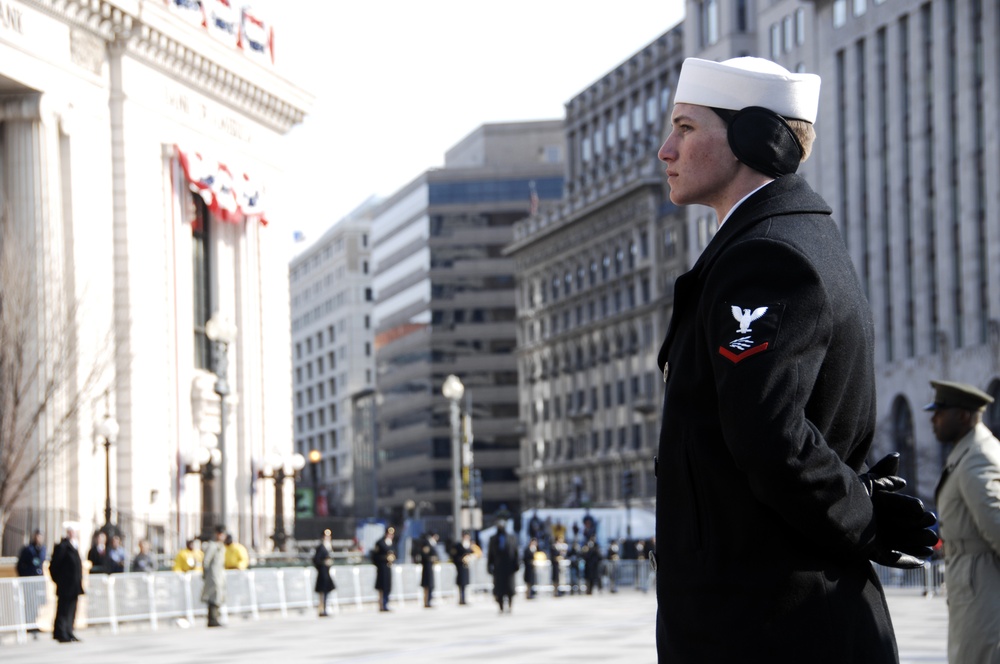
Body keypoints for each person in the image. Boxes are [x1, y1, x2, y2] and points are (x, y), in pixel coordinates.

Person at [654, 56, 936, 662]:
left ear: (754, 138)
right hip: (778, 619)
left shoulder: (767, 256)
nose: (664, 150)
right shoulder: (783, 240)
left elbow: (769, 434)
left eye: (685, 127)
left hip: (770, 626)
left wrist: (864, 519)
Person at [926, 380, 1000, 663]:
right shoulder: (968, 452)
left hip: (983, 586)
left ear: (964, 416)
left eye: (940, 411)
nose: (934, 419)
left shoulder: (977, 458)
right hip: (973, 582)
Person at [48, 522, 84, 643]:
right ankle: (61, 632)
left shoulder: (74, 546)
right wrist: (59, 580)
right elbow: (54, 566)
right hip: (65, 585)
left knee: (72, 609)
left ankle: (69, 631)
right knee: (63, 609)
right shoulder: (62, 547)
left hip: (74, 585)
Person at [486, 516, 519, 614]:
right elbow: (490, 554)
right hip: (498, 567)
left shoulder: (511, 538)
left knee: (509, 588)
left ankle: (509, 605)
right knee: (499, 589)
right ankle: (500, 606)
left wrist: (516, 564)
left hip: (509, 567)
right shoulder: (493, 539)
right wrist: (489, 566)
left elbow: (515, 552)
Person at [201, 525, 227, 627]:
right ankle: (212, 619)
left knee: (218, 595)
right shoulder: (212, 546)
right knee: (213, 596)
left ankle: (216, 618)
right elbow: (206, 561)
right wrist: (205, 575)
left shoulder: (220, 546)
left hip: (219, 575)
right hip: (212, 575)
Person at [371, 526, 396, 612]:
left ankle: (386, 603)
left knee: (387, 586)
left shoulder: (391, 543)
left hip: (388, 567)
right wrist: (385, 558)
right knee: (382, 586)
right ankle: (382, 604)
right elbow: (375, 557)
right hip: (381, 568)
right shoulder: (380, 543)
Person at [313, 529, 336, 617]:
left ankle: (325, 608)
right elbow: (316, 560)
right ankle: (322, 609)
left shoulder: (328, 546)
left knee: (327, 591)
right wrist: (324, 563)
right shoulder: (321, 547)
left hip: (327, 572)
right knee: (322, 592)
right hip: (322, 572)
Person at [451, 530, 477, 605]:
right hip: (460, 566)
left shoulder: (470, 546)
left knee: (466, 584)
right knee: (461, 583)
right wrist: (461, 559)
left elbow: (475, 553)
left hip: (466, 566)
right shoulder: (458, 545)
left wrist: (470, 558)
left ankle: (465, 598)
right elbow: (454, 556)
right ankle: (461, 599)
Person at [417, 532, 439, 608]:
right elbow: (425, 554)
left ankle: (429, 600)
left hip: (430, 566)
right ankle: (426, 601)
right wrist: (431, 558)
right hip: (427, 566)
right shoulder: (427, 543)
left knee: (430, 584)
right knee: (427, 584)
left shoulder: (432, 544)